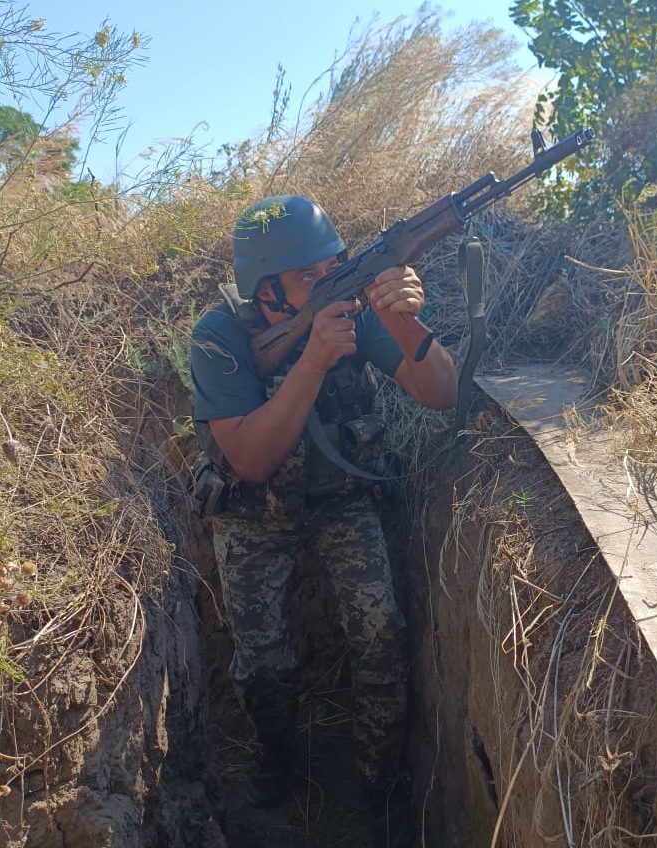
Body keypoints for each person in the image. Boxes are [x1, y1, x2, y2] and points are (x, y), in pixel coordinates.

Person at [188, 195, 457, 830]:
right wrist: (311, 360)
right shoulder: (219, 337)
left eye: (332, 265)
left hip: (340, 501)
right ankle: (274, 762)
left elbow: (442, 394)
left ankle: (376, 784)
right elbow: (250, 459)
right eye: (307, 275)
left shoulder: (353, 311)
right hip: (251, 513)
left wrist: (404, 322)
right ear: (266, 292)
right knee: (264, 661)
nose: (327, 280)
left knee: (381, 633)